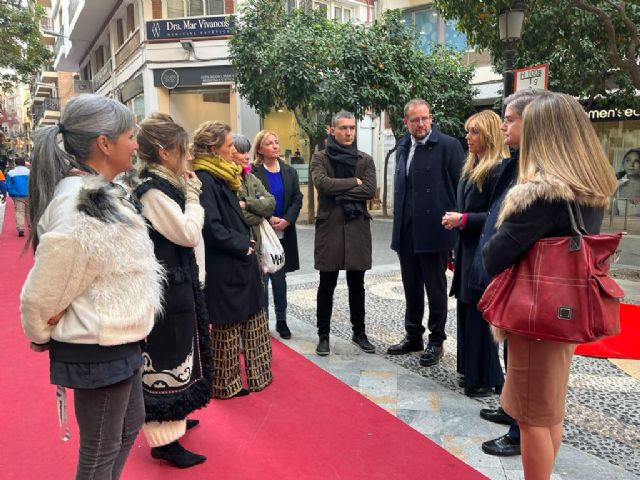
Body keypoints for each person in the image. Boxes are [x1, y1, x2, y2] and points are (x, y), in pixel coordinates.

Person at [20, 94, 164, 479]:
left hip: (117, 339)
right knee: (100, 451)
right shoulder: (81, 205)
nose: (136, 144)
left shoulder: (99, 195)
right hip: (97, 345)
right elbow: (45, 289)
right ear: (105, 143)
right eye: (130, 135)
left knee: (128, 428)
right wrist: (41, 329)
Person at [482, 92, 617, 480]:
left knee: (531, 418)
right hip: (564, 311)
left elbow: (494, 255)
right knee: (548, 410)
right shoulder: (586, 186)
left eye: (512, 119)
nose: (505, 126)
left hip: (535, 316)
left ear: (542, 130)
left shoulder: (541, 194)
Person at [470, 90, 553, 458]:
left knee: (528, 369)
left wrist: (491, 253)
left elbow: (510, 234)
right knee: (514, 359)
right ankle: (511, 410)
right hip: (506, 281)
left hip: (528, 288)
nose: (504, 126)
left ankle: (520, 430)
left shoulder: (541, 177)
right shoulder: (516, 163)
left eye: (510, 119)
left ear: (530, 122)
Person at [133, 113, 213, 468]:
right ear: (165, 153)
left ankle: (174, 421)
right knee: (168, 356)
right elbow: (187, 233)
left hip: (180, 283)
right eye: (183, 150)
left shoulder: (168, 184)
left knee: (183, 351)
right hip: (167, 287)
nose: (188, 157)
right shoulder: (153, 189)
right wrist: (195, 199)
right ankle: (163, 437)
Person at [193, 121, 272, 399]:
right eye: (228, 146)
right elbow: (211, 227)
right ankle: (225, 385)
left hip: (239, 263)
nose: (233, 150)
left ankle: (252, 378)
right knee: (227, 330)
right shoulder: (206, 177)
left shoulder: (222, 175)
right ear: (214, 149)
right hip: (227, 265)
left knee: (252, 320)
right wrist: (243, 244)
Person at [388, 98, 465, 367]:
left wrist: (457, 226)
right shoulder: (402, 146)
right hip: (406, 229)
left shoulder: (449, 146)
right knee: (411, 286)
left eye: (425, 118)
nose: (421, 124)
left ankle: (436, 339)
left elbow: (460, 188)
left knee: (435, 286)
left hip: (435, 229)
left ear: (431, 118)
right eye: (415, 120)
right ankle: (413, 335)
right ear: (406, 122)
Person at [442, 110, 509, 397]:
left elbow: (500, 216)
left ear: (489, 135)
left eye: (474, 132)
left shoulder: (497, 169)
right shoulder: (472, 166)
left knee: (480, 315)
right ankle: (472, 372)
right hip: (467, 251)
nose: (467, 137)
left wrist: (464, 220)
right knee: (468, 311)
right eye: (468, 131)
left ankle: (485, 377)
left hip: (483, 253)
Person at [310, 111, 377, 356]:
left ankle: (359, 332)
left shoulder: (365, 159)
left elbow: (369, 190)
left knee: (356, 283)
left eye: (352, 128)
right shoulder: (320, 157)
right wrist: (354, 183)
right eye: (343, 128)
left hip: (357, 227)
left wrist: (340, 191)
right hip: (330, 228)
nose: (348, 133)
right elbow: (323, 185)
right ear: (332, 130)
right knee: (326, 283)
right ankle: (323, 334)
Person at [253, 130, 303, 339]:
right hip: (263, 231)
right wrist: (269, 217)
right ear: (260, 149)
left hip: (284, 231)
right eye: (269, 143)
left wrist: (287, 220)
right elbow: (251, 199)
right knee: (262, 278)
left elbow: (296, 199)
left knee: (280, 279)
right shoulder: (253, 173)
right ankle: (262, 321)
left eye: (276, 142)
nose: (275, 146)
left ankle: (281, 320)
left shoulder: (289, 171)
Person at [232, 133, 276, 269]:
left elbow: (271, 204)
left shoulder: (250, 178)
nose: (247, 156)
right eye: (241, 152)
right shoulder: (226, 181)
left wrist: (247, 204)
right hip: (240, 246)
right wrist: (260, 214)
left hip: (258, 246)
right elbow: (234, 214)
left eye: (247, 152)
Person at [6, 157, 30, 236]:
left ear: (16, 163)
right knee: (29, 211)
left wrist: (10, 192)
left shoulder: (11, 173)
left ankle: (20, 228)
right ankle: (31, 227)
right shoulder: (30, 172)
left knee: (19, 211)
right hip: (29, 194)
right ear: (24, 163)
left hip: (17, 195)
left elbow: (8, 185)